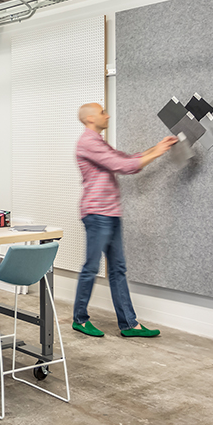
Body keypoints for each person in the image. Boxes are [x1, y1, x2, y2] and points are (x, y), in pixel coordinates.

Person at [73, 103, 176, 338]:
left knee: (118, 269)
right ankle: (80, 319)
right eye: (102, 112)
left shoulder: (98, 141)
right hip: (97, 213)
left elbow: (125, 158)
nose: (107, 115)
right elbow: (124, 166)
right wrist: (158, 153)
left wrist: (157, 147)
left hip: (110, 212)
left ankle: (129, 324)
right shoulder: (87, 142)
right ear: (90, 118)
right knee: (91, 267)